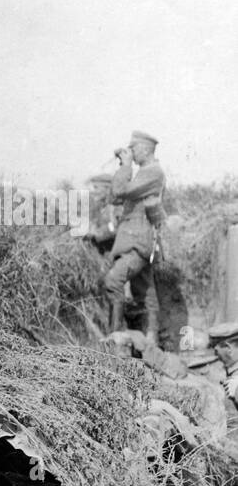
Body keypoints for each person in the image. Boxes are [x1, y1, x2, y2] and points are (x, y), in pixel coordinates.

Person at [102, 131, 165, 336]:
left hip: (137, 243)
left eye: (134, 148)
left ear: (146, 149)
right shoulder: (144, 173)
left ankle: (115, 337)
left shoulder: (152, 172)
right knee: (145, 294)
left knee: (113, 280)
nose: (132, 152)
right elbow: (115, 196)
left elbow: (121, 192)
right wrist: (124, 167)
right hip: (136, 241)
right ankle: (151, 343)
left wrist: (126, 166)